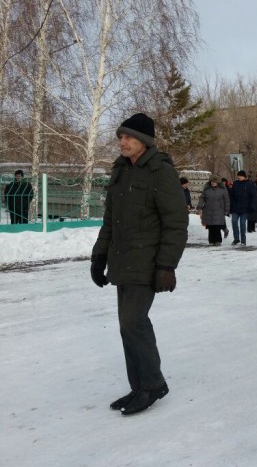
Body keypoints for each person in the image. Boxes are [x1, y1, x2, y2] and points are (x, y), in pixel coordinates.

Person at [90, 112, 188, 415]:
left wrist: (166, 266)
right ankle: (140, 386)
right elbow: (110, 220)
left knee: (134, 322)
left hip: (147, 262)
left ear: (144, 141)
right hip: (122, 261)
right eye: (120, 137)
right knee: (127, 326)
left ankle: (154, 384)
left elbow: (176, 224)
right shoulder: (121, 170)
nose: (122, 142)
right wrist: (99, 257)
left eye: (128, 137)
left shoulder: (160, 171)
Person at [197, 175, 230, 246]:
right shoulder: (207, 189)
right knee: (210, 227)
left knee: (217, 227)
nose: (213, 183)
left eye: (214, 181)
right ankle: (211, 241)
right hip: (208, 210)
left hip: (219, 211)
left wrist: (226, 210)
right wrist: (200, 207)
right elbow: (202, 198)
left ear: (217, 182)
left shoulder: (222, 189)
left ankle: (218, 240)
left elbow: (226, 200)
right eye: (212, 181)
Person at [229, 170, 257, 246]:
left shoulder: (250, 184)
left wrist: (252, 206)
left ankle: (243, 240)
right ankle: (236, 239)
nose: (239, 177)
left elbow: (253, 196)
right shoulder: (235, 183)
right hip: (236, 207)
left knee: (242, 223)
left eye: (240, 176)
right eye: (238, 176)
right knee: (234, 222)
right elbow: (232, 195)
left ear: (244, 176)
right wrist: (231, 205)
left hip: (245, 208)